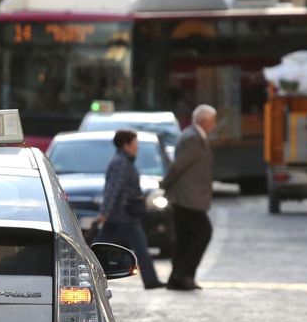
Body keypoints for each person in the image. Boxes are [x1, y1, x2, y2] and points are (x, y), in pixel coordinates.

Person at [93, 130, 164, 290]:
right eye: (134, 143)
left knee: (100, 247)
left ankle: (151, 280)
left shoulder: (123, 161)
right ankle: (151, 280)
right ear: (126, 145)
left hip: (121, 215)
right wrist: (104, 212)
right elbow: (113, 189)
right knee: (137, 247)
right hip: (123, 215)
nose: (137, 147)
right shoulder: (121, 163)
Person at [161, 104, 217, 291]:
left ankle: (179, 277)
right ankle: (183, 275)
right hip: (187, 198)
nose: (214, 126)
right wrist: (165, 184)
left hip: (189, 197)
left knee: (185, 238)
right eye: (213, 121)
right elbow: (179, 166)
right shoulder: (193, 138)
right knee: (202, 233)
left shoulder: (194, 135)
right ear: (205, 121)